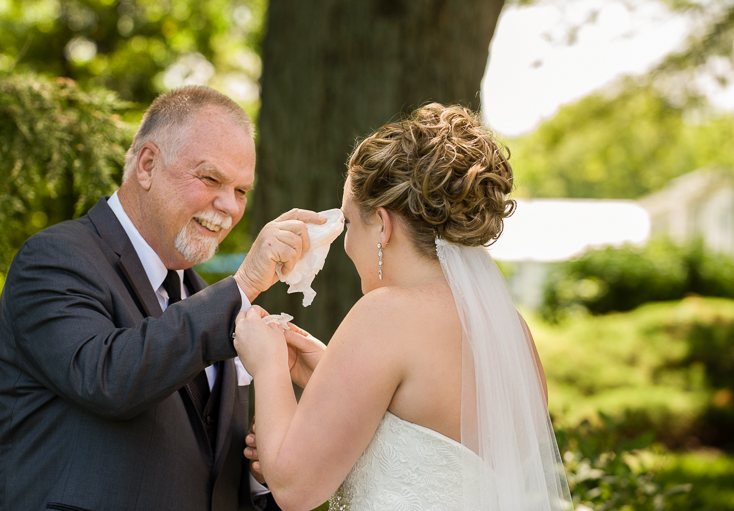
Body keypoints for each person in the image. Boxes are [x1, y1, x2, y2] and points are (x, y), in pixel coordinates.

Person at [0, 85, 325, 511]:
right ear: (147, 165)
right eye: (210, 178)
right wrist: (243, 286)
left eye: (241, 190)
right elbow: (107, 379)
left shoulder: (210, 305)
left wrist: (261, 478)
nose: (229, 207)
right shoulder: (55, 259)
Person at [234, 104, 573, 511]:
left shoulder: (386, 313)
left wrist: (268, 362)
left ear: (382, 224)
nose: (345, 244)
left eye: (349, 222)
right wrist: (333, 375)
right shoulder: (512, 332)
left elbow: (294, 488)